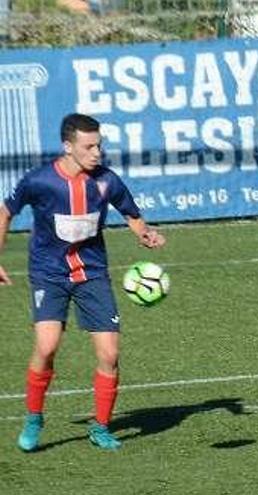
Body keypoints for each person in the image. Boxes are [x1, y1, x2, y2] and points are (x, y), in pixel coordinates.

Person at [0, 113, 166, 452]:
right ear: (68, 146)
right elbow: (5, 211)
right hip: (49, 272)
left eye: (99, 145)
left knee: (110, 353)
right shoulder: (41, 180)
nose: (96, 153)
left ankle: (101, 427)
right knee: (46, 347)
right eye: (88, 147)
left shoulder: (107, 181)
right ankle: (34, 417)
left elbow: (131, 213)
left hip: (92, 273)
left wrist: (144, 234)